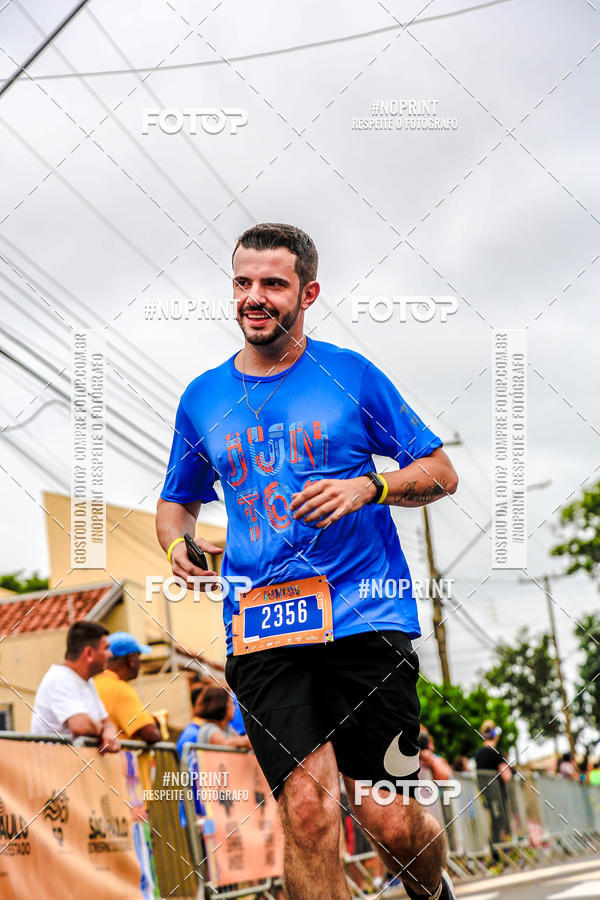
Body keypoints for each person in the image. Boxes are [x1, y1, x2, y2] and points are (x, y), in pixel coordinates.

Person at [157, 222, 459, 900]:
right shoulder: (203, 398)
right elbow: (175, 503)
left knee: (389, 816)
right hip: (265, 630)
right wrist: (178, 545)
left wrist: (369, 486)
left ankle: (431, 890)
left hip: (365, 619)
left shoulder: (350, 376)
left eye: (273, 283)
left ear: (308, 292)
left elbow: (441, 472)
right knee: (307, 808)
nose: (254, 297)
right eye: (243, 282)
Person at [31, 621, 120, 752]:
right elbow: (81, 726)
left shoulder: (86, 680)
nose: (110, 654)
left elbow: (107, 722)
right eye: (106, 648)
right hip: (53, 767)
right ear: (89, 653)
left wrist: (109, 730)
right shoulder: (60, 679)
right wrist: (104, 730)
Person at [94, 631, 161, 743]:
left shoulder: (94, 684)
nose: (140, 662)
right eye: (138, 656)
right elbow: (150, 734)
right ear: (131, 660)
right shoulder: (120, 690)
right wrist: (156, 723)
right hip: (119, 759)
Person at [176, 686, 251, 754]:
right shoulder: (208, 728)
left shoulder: (227, 728)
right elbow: (224, 743)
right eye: (231, 703)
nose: (234, 707)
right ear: (221, 705)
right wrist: (245, 741)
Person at [474, 720, 512, 851]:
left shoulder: (478, 754)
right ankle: (502, 851)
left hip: (485, 794)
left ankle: (496, 851)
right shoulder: (496, 752)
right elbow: (506, 776)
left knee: (492, 822)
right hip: (498, 795)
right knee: (500, 822)